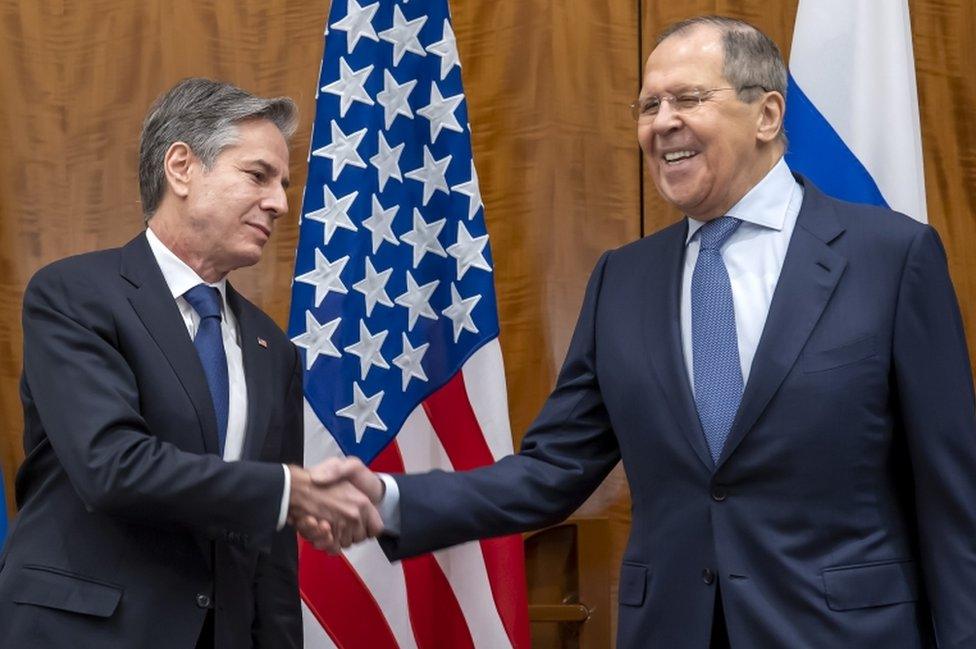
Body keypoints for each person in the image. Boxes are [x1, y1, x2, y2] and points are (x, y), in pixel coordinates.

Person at [319, 16, 976, 649]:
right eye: (648, 105)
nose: (663, 122)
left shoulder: (890, 258)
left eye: (688, 97)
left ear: (768, 116)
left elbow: (951, 493)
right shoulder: (623, 281)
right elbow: (553, 469)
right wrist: (392, 496)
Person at [0, 78, 382, 648]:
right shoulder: (75, 295)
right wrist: (287, 489)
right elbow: (112, 466)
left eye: (283, 184)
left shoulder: (270, 348)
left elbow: (272, 553)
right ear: (181, 167)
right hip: (84, 632)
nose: (280, 202)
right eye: (258, 176)